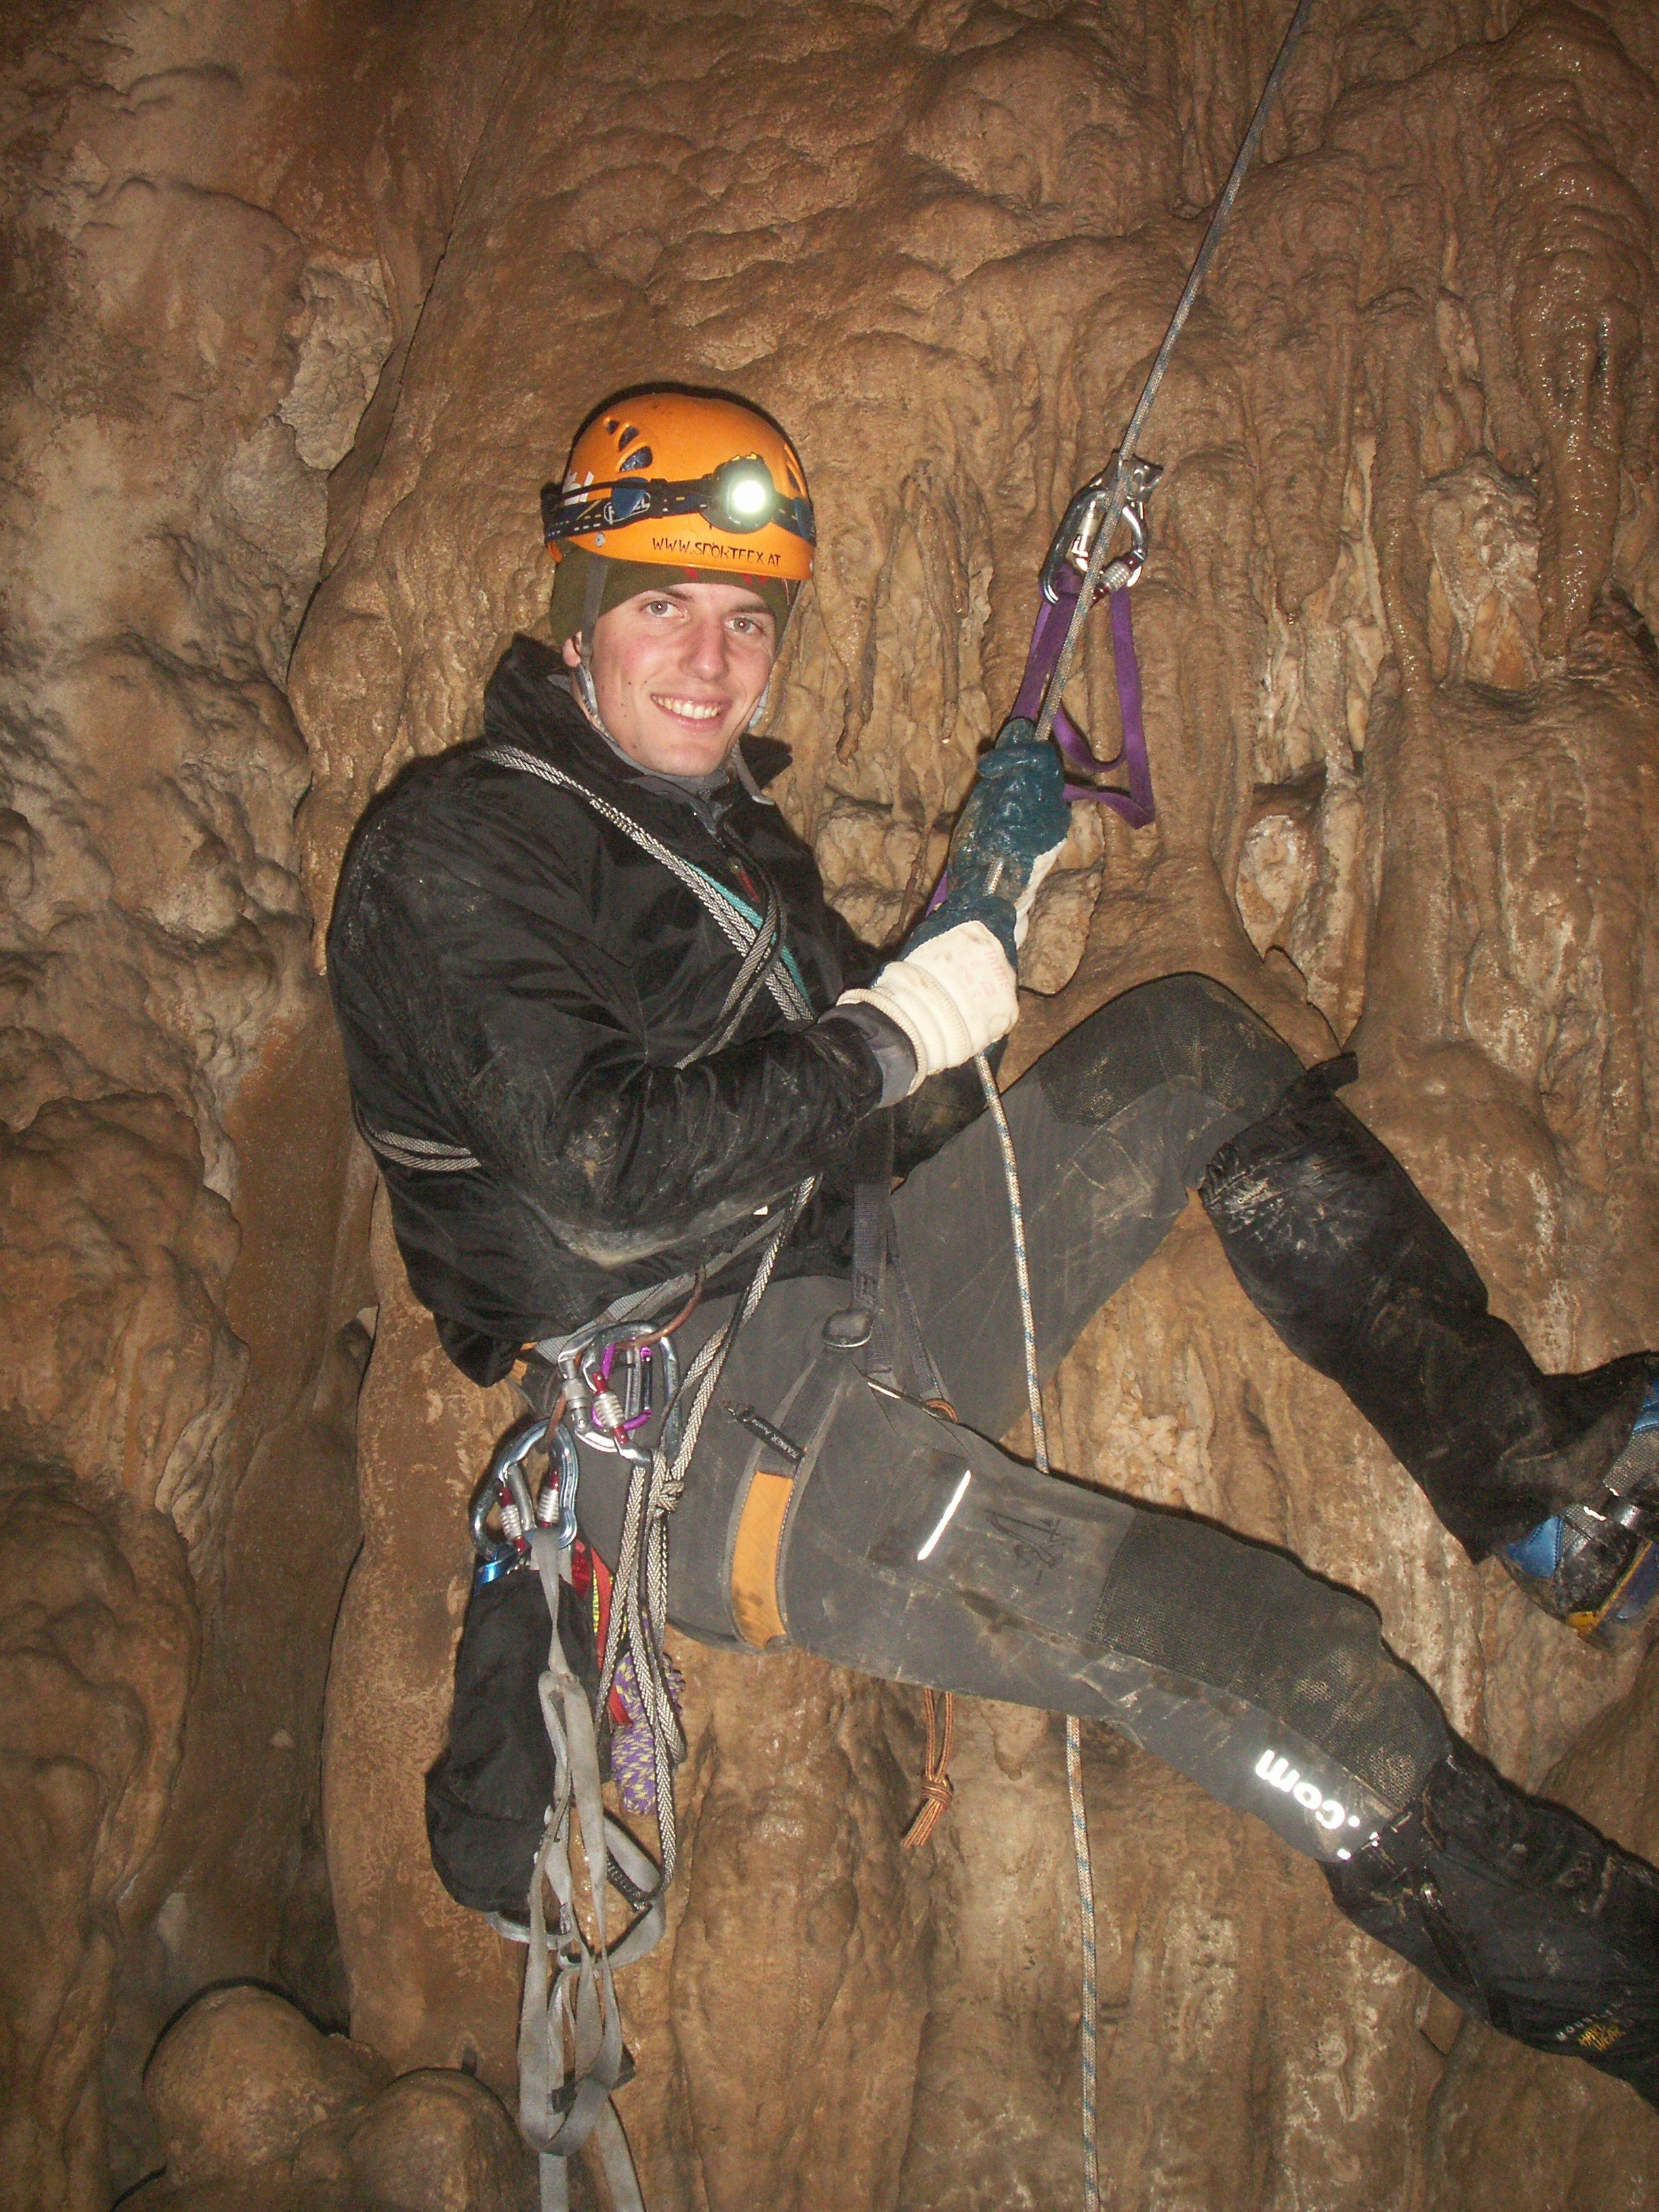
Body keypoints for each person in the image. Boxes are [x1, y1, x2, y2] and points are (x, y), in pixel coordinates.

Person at [327, 386, 1659, 2108]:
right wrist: (893, 1028)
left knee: (1186, 1056)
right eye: (664, 607)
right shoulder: (455, 846)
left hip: (859, 1300)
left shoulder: (722, 845)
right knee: (1269, 1657)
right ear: (579, 619)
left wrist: (981, 900)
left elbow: (871, 1110)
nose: (713, 662)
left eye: (748, 621)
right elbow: (605, 1177)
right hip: (708, 1441)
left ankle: (1552, 1499)